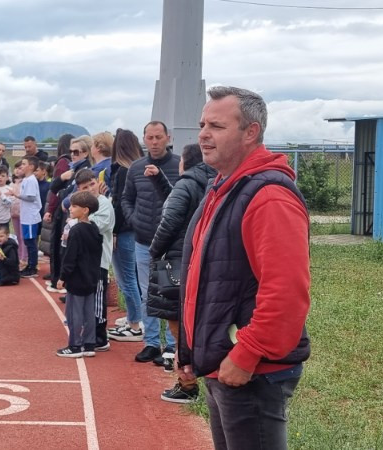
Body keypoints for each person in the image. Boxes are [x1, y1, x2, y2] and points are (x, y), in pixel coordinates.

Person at [176, 86, 311, 449]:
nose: (203, 134)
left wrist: (247, 353)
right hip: (224, 363)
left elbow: (286, 293)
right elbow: (203, 280)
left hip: (251, 370)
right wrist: (189, 349)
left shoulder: (268, 197)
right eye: (202, 125)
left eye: (216, 126)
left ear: (251, 132)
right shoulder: (223, 188)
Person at [146, 143, 216, 401]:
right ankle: (197, 377)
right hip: (202, 259)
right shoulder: (212, 181)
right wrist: (160, 181)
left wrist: (154, 250)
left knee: (177, 323)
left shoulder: (186, 183)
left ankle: (187, 383)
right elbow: (179, 203)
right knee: (196, 322)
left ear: (185, 162)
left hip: (176, 261)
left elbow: (171, 219)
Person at [120, 121, 180, 364]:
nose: (154, 142)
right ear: (144, 139)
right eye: (150, 137)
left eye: (158, 137)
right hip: (143, 242)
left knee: (169, 293)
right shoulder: (136, 168)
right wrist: (134, 220)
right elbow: (126, 199)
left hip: (169, 244)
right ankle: (152, 343)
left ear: (168, 138)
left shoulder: (178, 166)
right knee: (147, 293)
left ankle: (172, 345)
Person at [107, 129, 145, 342]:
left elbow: (121, 204)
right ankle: (134, 317)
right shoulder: (137, 168)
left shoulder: (122, 171)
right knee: (130, 277)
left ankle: (135, 324)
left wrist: (113, 230)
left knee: (126, 278)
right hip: (134, 229)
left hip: (123, 231)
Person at [56, 190, 103, 358]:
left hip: (76, 278)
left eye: (74, 206)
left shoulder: (75, 231)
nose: (70, 208)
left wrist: (62, 277)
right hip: (91, 277)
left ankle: (74, 346)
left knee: (74, 314)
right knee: (89, 312)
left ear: (85, 210)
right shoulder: (94, 228)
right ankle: (89, 344)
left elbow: (70, 257)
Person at [73, 169, 114, 352]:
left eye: (92, 184)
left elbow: (93, 227)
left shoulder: (104, 204)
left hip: (99, 261)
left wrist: (80, 219)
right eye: (85, 187)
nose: (90, 189)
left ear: (98, 182)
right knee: (88, 298)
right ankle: (89, 332)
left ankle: (100, 336)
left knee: (97, 299)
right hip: (85, 261)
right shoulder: (82, 207)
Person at [42, 133, 74, 292]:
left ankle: (57, 279)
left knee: (57, 243)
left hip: (61, 208)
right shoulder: (70, 163)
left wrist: (50, 210)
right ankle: (57, 276)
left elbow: (55, 189)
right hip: (65, 206)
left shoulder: (62, 162)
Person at [9, 156, 42, 278]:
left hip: (30, 217)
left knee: (30, 242)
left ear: (31, 167)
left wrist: (17, 195)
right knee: (27, 241)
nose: (21, 166)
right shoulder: (26, 180)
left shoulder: (31, 180)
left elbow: (31, 197)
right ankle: (30, 265)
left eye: (24, 164)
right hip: (26, 215)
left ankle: (32, 267)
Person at [90, 131, 114, 196]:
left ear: (98, 148)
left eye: (92, 145)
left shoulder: (97, 170)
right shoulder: (114, 164)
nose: (90, 148)